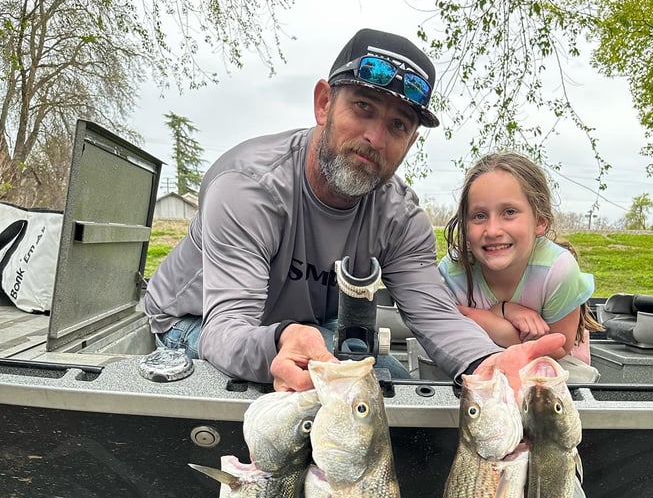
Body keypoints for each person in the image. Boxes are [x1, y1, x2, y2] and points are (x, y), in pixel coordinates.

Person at [144, 28, 564, 392]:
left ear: (410, 142)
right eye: (363, 107)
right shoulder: (249, 188)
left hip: (311, 332)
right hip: (195, 322)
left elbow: (433, 314)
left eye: (398, 124)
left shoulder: (401, 219)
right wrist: (280, 342)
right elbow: (226, 330)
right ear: (324, 103)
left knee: (392, 385)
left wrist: (483, 363)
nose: (375, 138)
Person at [438, 152, 600, 382]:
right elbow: (447, 323)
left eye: (509, 212)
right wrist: (504, 312)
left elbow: (558, 346)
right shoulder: (454, 271)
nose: (492, 230)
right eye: (479, 216)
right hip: (475, 362)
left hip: (546, 369)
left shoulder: (557, 270)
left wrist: (491, 324)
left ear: (540, 221)